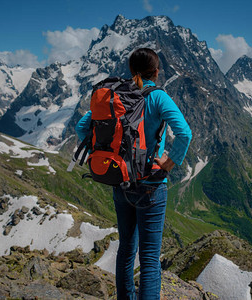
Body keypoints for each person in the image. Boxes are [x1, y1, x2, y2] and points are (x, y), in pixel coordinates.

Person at [75, 48, 192, 299]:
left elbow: (82, 127)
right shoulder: (158, 97)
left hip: (121, 180)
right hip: (150, 183)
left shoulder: (116, 93)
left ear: (130, 69)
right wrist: (170, 163)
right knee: (149, 259)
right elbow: (185, 133)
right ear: (157, 72)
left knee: (126, 249)